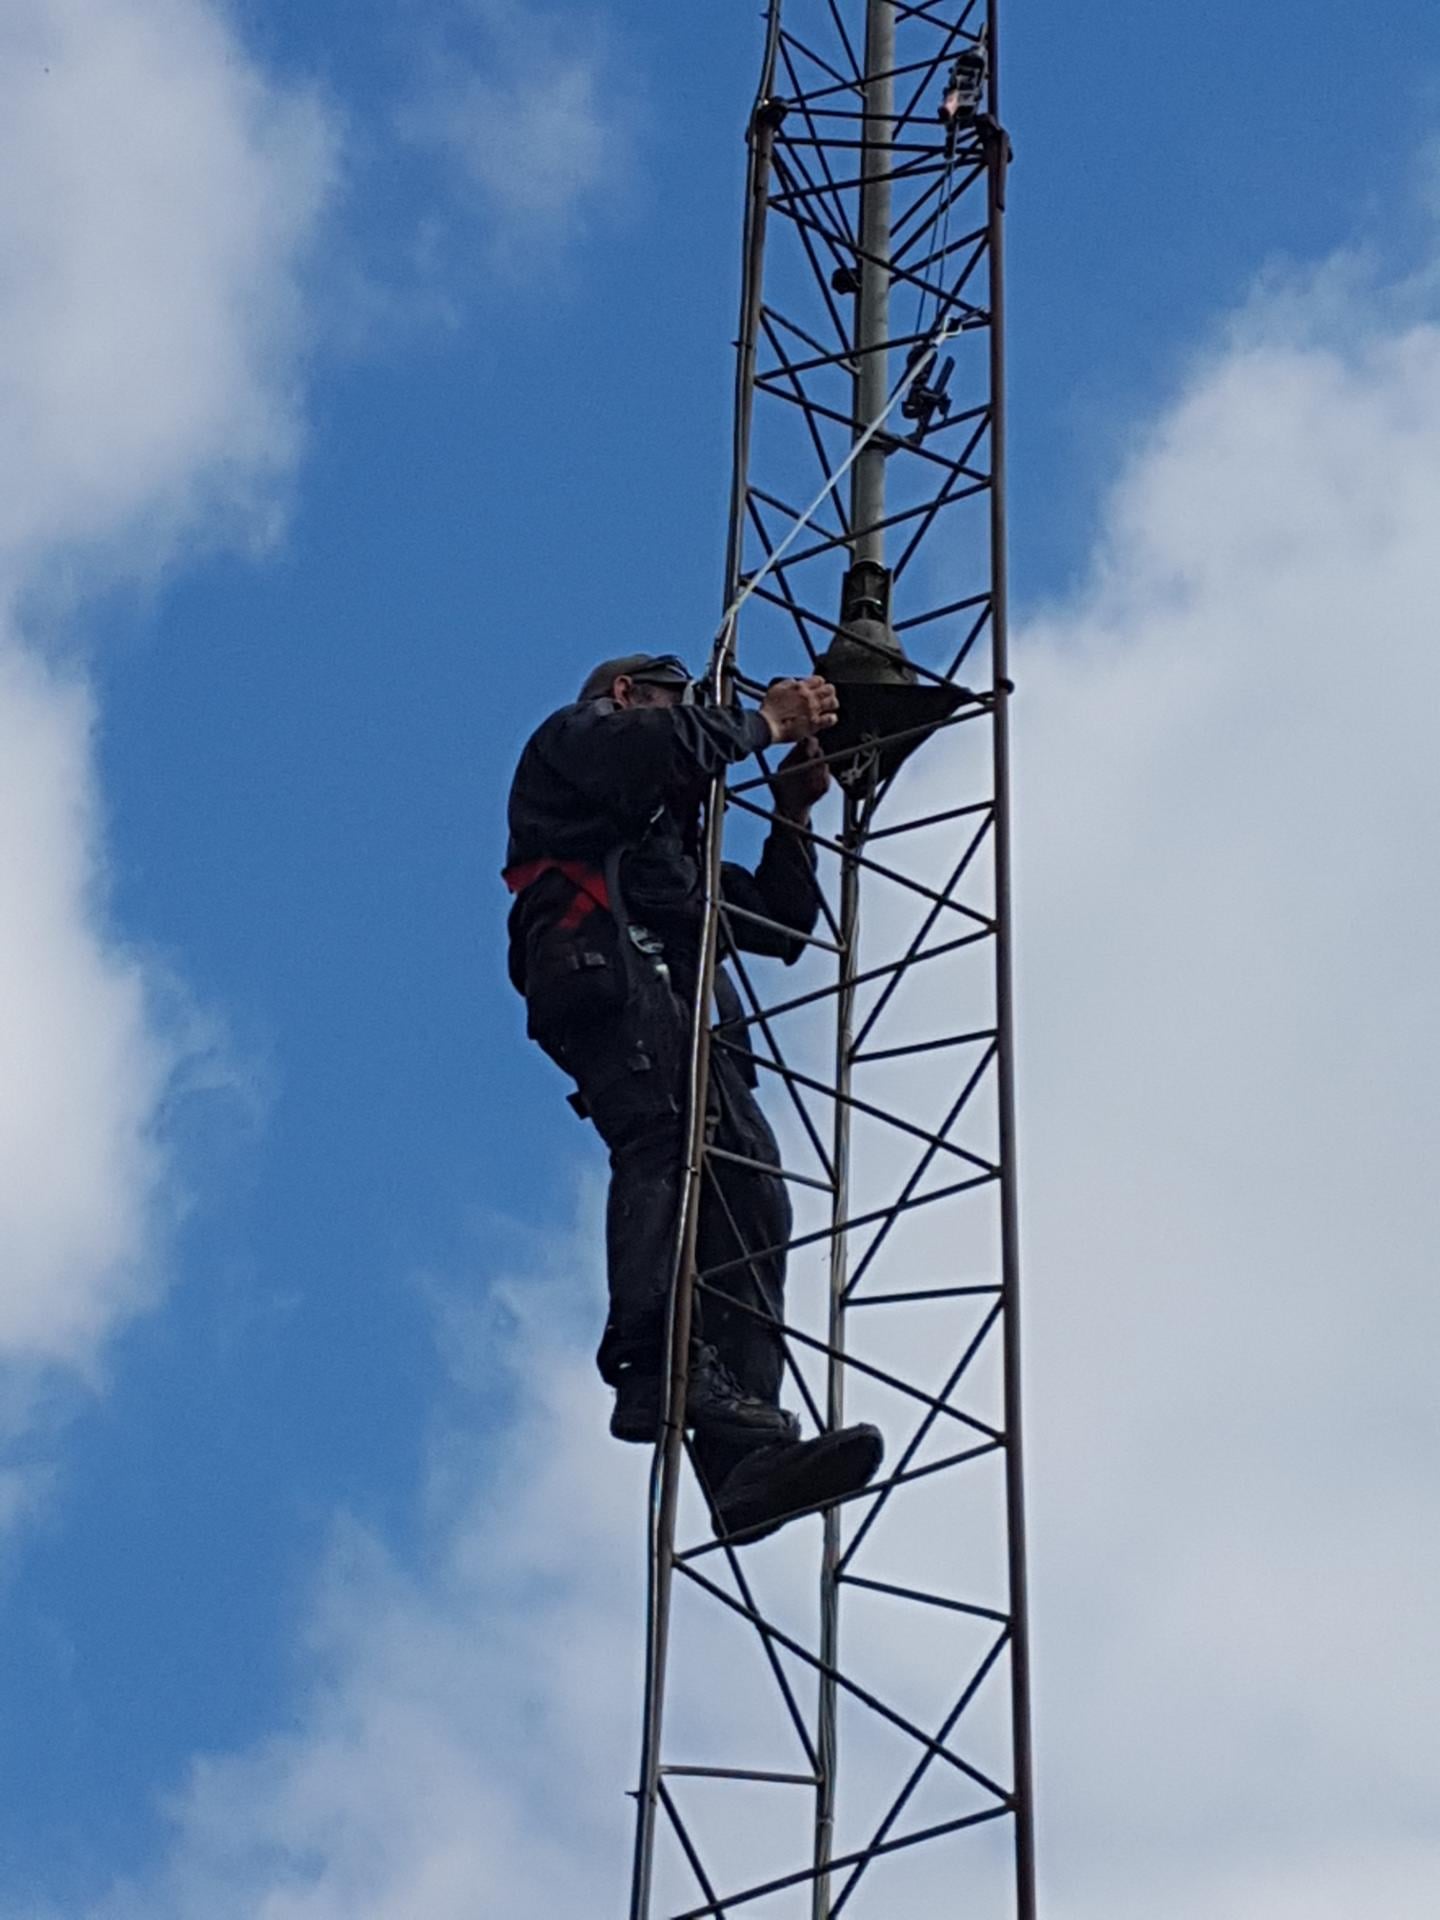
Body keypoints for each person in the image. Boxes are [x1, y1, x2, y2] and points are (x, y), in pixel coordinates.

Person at [504, 653, 884, 1542]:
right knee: (665, 1143)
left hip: (673, 1002)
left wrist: (792, 813)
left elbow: (778, 924)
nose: (700, 722)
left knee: (750, 1190)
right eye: (681, 702)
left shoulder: (660, 854)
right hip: (601, 973)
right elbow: (663, 746)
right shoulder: (577, 741)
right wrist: (764, 724)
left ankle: (745, 1458)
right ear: (628, 694)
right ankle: (645, 1358)